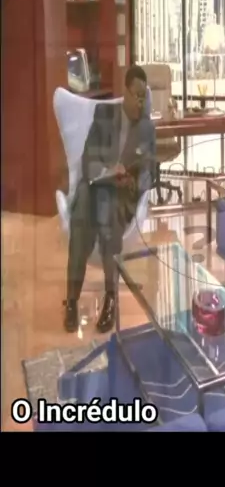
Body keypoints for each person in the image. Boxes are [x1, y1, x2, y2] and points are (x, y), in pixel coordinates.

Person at [63, 65, 155, 334]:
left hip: (120, 195)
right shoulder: (104, 115)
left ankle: (111, 298)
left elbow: (149, 174)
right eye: (136, 95)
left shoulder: (147, 128)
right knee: (82, 212)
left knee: (107, 211)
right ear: (125, 91)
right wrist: (106, 171)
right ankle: (71, 301)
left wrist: (133, 182)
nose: (140, 102)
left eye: (143, 97)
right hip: (93, 187)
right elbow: (88, 158)